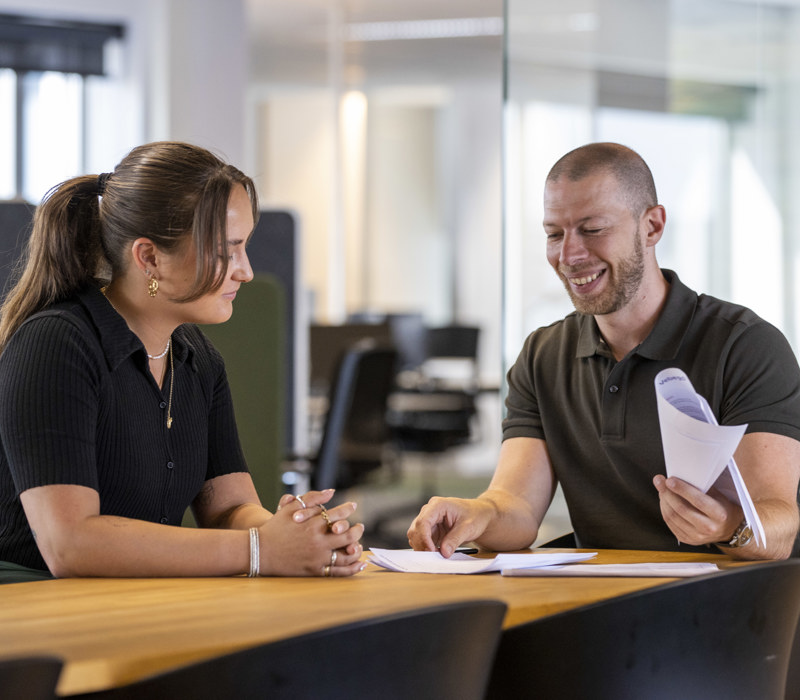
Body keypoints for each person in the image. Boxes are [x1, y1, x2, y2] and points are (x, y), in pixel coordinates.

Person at [408, 142, 800, 562]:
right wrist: (479, 513)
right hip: (599, 592)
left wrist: (729, 527)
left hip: (721, 595)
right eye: (554, 234)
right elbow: (517, 506)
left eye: (592, 230)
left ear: (652, 227)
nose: (568, 255)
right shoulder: (543, 355)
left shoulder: (745, 346)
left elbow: (779, 527)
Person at [0, 141, 365, 582]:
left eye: (245, 247)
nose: (246, 271)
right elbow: (71, 544)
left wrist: (296, 534)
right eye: (226, 251)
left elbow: (229, 508)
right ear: (149, 258)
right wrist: (261, 549)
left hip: (138, 599)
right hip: (34, 601)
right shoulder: (56, 344)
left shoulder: (197, 358)